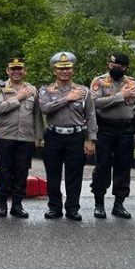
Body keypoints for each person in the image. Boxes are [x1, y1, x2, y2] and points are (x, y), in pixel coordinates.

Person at [89, 52, 135, 219]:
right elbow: (93, 103)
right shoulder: (99, 81)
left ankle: (119, 204)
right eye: (112, 65)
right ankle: (99, 203)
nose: (114, 68)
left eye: (118, 67)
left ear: (125, 68)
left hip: (126, 131)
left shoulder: (133, 83)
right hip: (104, 129)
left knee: (123, 167)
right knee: (102, 166)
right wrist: (120, 96)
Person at [38, 51, 97, 221]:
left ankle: (72, 208)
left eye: (68, 68)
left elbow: (91, 115)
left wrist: (91, 139)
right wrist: (68, 99)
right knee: (53, 174)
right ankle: (54, 207)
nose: (65, 72)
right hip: (54, 135)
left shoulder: (83, 91)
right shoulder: (46, 90)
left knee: (75, 174)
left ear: (73, 70)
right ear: (54, 71)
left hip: (75, 136)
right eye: (60, 69)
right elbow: (44, 109)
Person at [0, 57, 43, 218]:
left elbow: (37, 115)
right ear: (7, 71)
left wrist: (38, 136)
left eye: (19, 68)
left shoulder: (32, 89)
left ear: (24, 71)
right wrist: (18, 97)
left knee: (22, 171)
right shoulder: (0, 89)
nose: (16, 71)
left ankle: (17, 204)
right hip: (5, 136)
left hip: (26, 137)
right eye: (13, 69)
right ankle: (2, 205)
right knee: (5, 171)